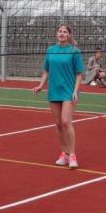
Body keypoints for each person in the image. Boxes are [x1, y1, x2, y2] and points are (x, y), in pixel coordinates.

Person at [33, 24, 84, 169]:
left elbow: (79, 74)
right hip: (54, 90)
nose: (62, 33)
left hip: (68, 90)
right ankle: (64, 153)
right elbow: (46, 71)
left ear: (69, 35)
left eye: (65, 32)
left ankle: (73, 155)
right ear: (57, 34)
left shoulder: (74, 51)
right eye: (60, 31)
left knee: (66, 121)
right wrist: (41, 85)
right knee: (58, 123)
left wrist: (75, 91)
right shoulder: (51, 50)